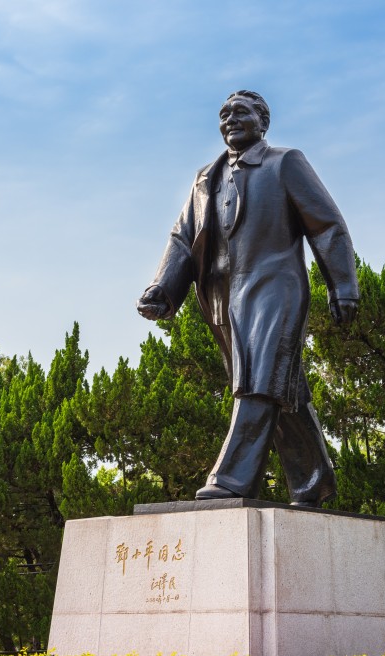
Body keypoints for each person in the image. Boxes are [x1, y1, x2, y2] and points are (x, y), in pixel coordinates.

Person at [137, 90, 359, 508]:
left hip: (275, 286)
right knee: (279, 384)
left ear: (263, 121)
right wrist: (162, 288)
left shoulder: (285, 162)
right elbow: (183, 238)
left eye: (240, 112)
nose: (230, 120)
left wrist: (342, 285)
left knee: (257, 380)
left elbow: (326, 225)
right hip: (222, 297)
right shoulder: (206, 178)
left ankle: (231, 479)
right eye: (223, 114)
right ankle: (314, 477)